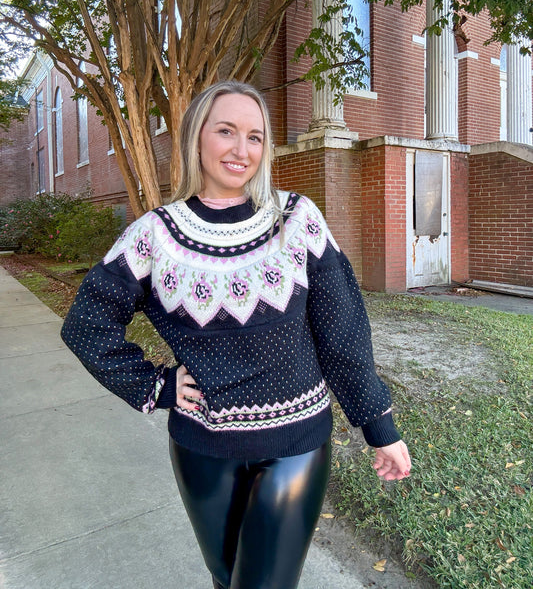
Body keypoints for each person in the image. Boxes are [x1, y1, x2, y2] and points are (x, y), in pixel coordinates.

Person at [61, 80, 411, 589]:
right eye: (226, 131)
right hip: (202, 448)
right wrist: (153, 386)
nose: (242, 149)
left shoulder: (298, 220)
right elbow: (86, 325)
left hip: (296, 444)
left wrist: (381, 429)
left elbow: (343, 334)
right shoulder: (155, 234)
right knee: (227, 578)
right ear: (197, 137)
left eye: (255, 136)